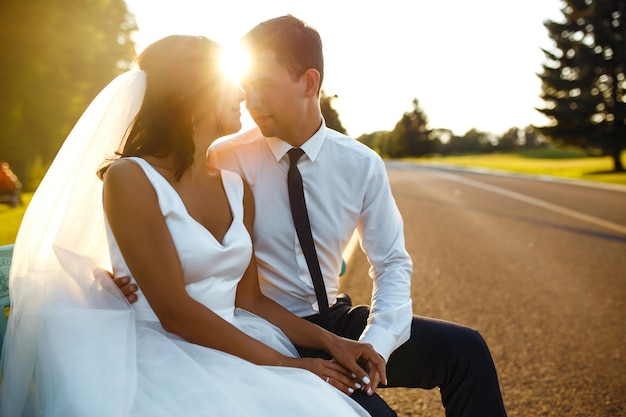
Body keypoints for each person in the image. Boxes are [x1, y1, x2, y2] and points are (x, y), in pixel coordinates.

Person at [0, 34, 385, 417]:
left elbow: (248, 300)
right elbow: (175, 312)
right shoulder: (131, 178)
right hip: (166, 354)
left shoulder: (236, 187)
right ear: (193, 94)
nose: (240, 93)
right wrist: (292, 367)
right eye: (225, 81)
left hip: (241, 340)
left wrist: (334, 343)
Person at [208, 15, 509, 417]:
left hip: (335, 320)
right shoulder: (224, 157)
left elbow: (391, 262)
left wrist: (375, 344)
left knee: (466, 350)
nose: (251, 103)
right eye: (246, 89)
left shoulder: (362, 164)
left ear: (309, 83)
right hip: (262, 330)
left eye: (264, 87)